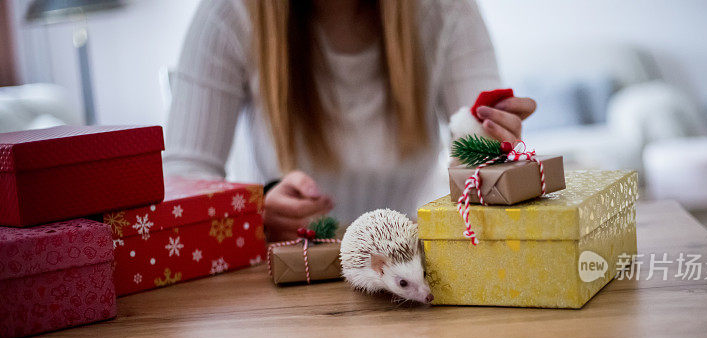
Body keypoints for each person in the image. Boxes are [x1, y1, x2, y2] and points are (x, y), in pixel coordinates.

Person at [164, 0, 536, 240]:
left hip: (410, 265)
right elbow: (181, 183)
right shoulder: (228, 16)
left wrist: (488, 152)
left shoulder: (446, 10)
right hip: (291, 286)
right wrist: (254, 212)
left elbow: (481, 155)